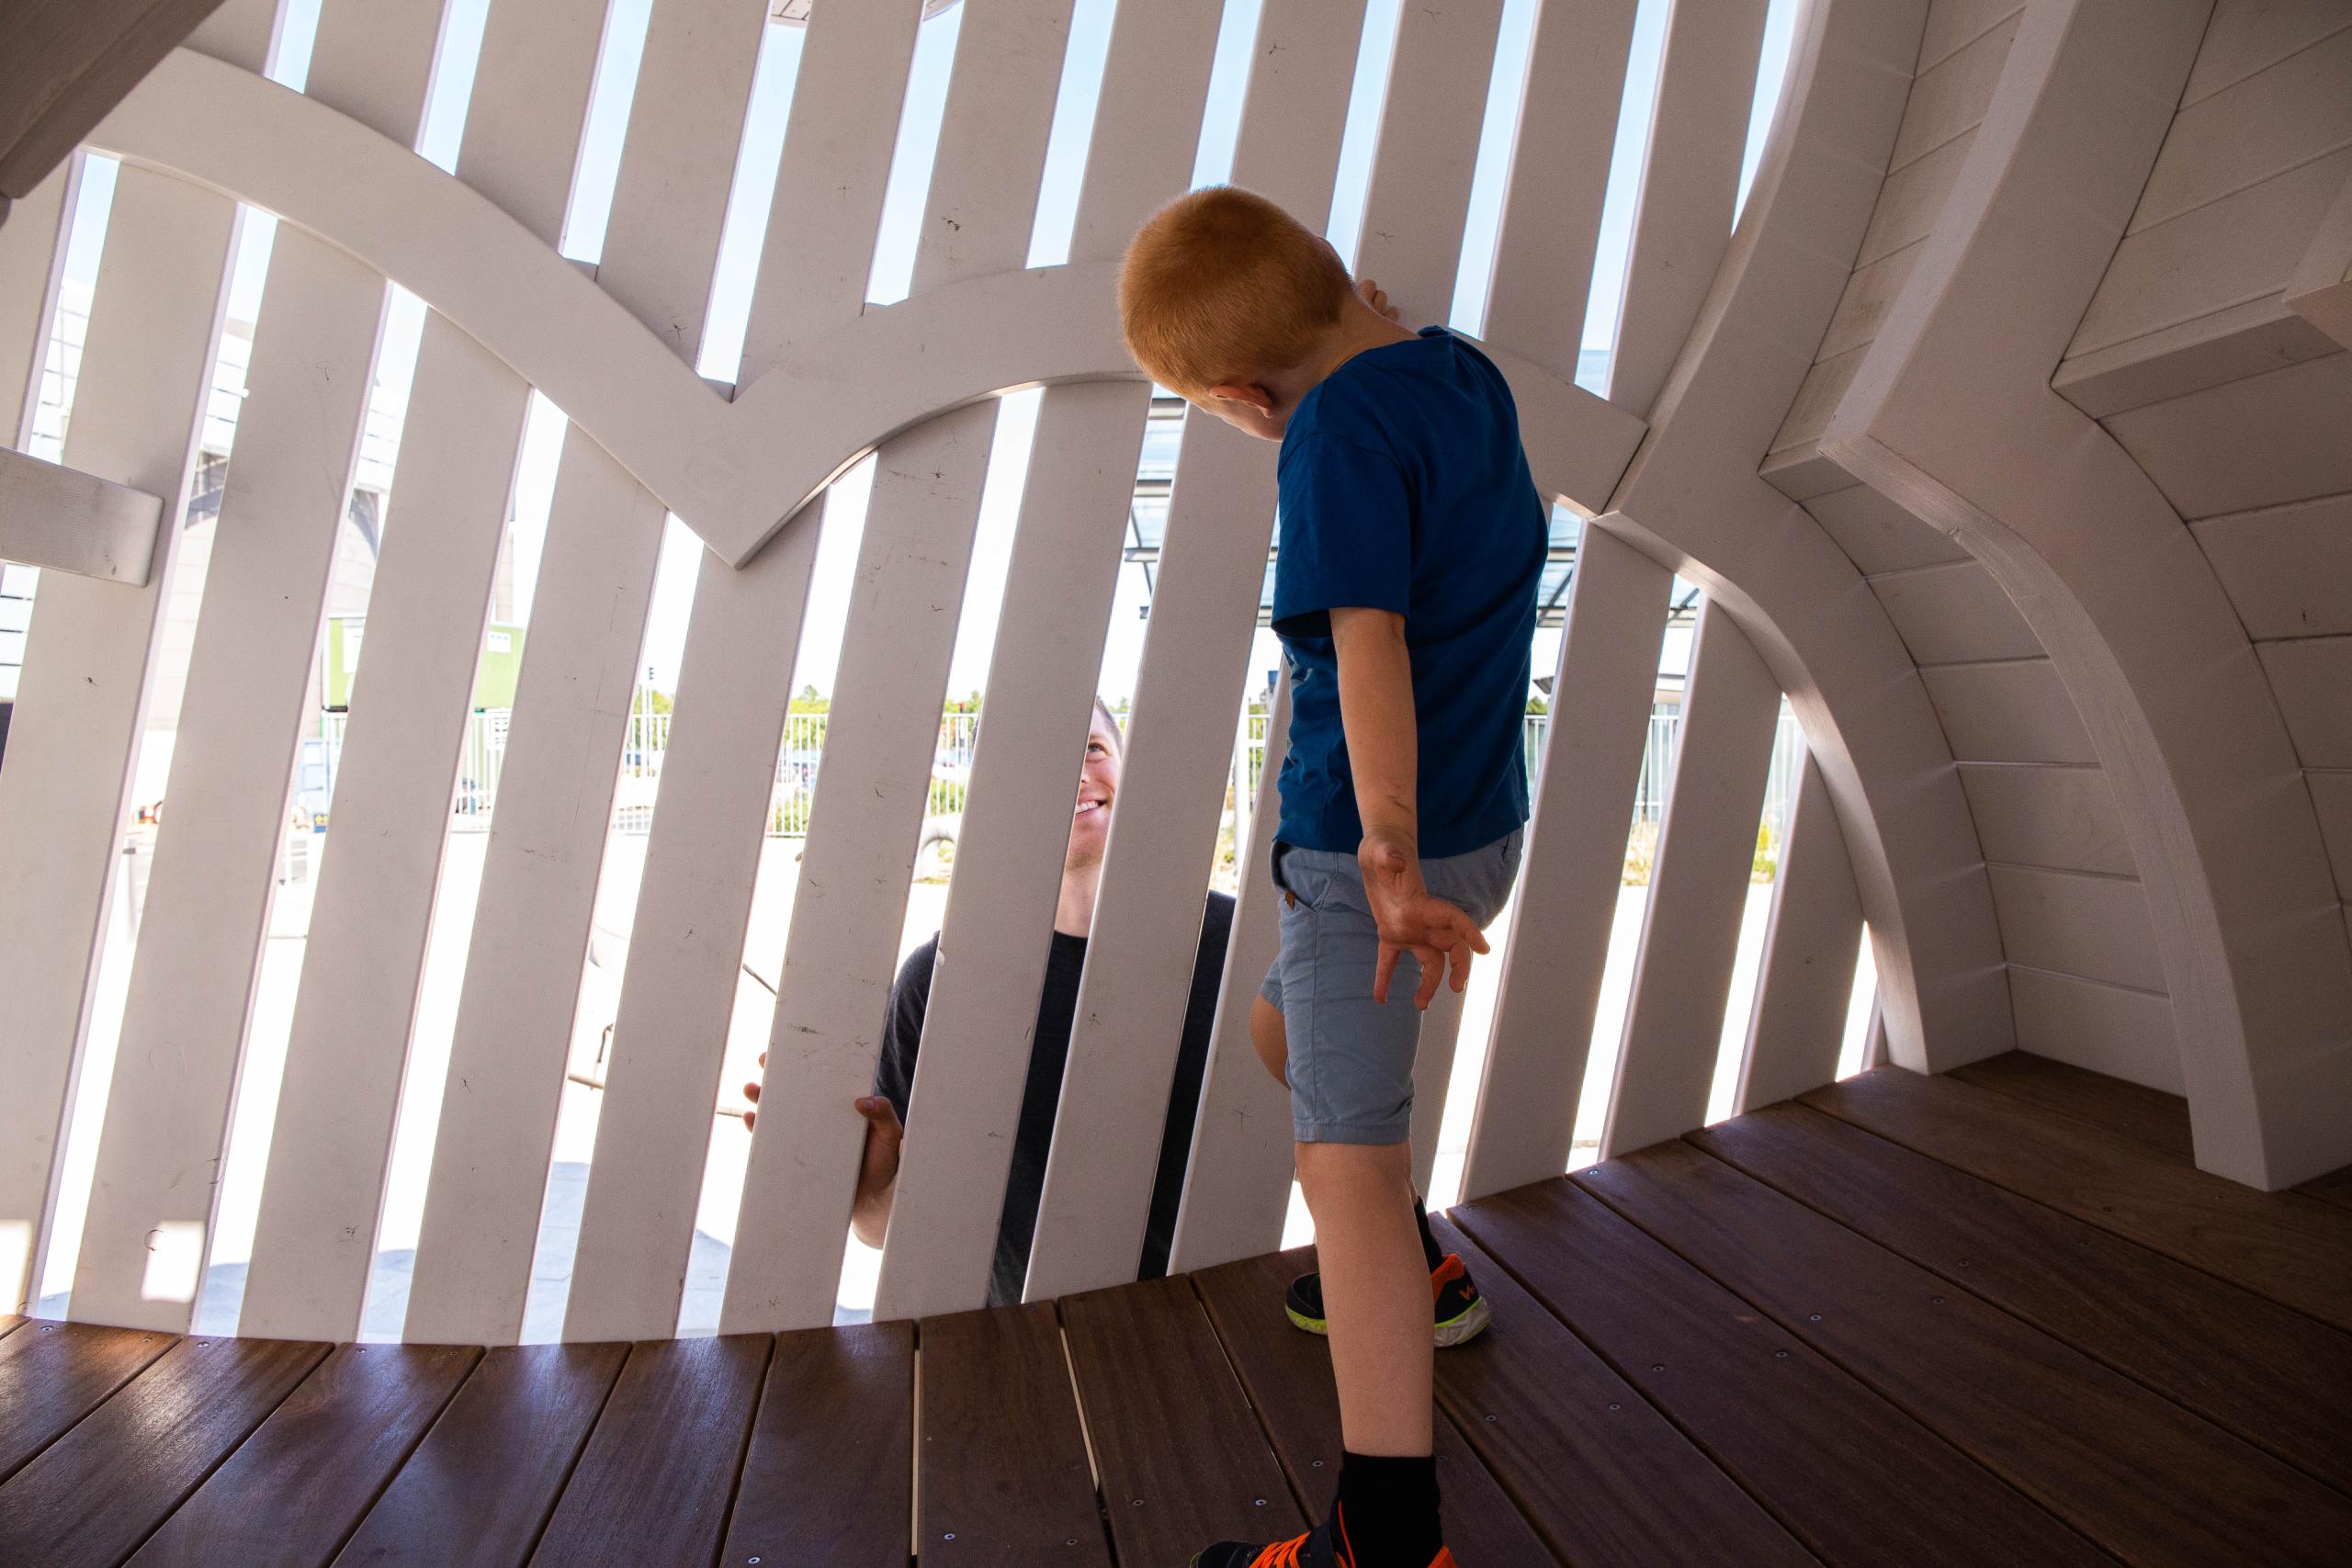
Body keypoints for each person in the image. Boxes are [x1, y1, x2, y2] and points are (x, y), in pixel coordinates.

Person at [1121, 186, 1540, 1568]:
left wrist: (1386, 851)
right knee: (1279, 1034)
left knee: (1342, 1161)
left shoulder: (1328, 441)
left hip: (1375, 858)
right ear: (1352, 282)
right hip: (1488, 825)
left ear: (1241, 397)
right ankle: (1423, 1268)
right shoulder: (1458, 375)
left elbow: (1366, 647)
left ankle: (1386, 1536)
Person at [744, 697, 1236, 1306]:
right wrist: (867, 1176)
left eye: (1093, 749)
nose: (1078, 773)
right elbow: (876, 1227)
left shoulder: (1237, 953)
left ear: (1127, 766)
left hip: (1217, 1334)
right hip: (1027, 1347)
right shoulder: (940, 983)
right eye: (1046, 759)